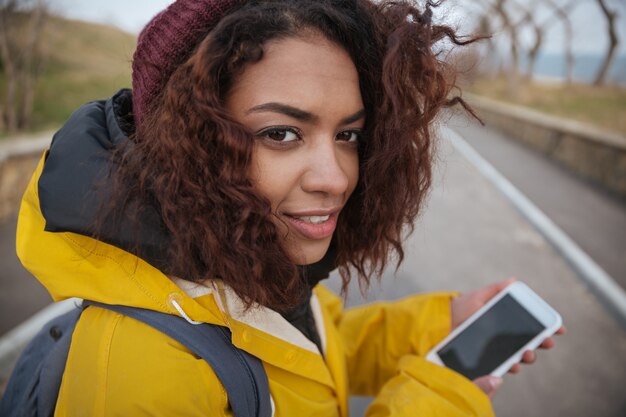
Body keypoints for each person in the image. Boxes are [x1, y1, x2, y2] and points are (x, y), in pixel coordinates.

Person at [15, 0, 563, 416]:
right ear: (186, 140)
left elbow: (312, 353)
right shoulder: (139, 367)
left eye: (349, 134)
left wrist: (442, 322)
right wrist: (440, 398)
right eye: (281, 133)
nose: (335, 178)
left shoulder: (251, 261)